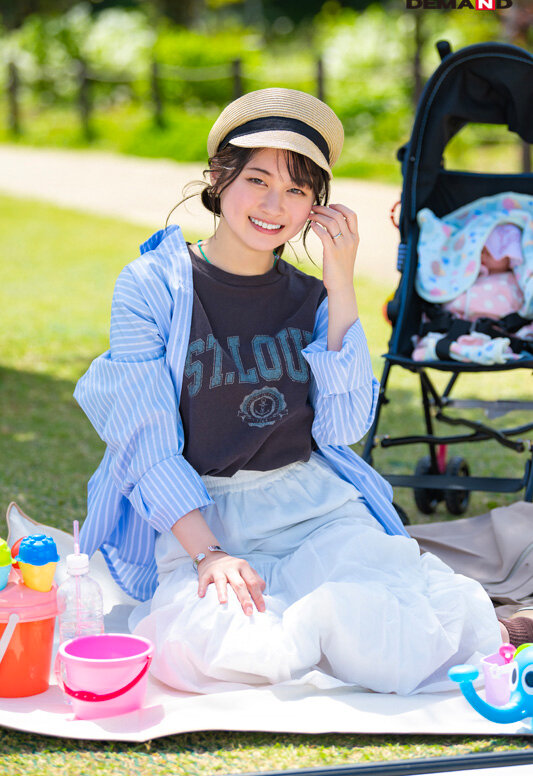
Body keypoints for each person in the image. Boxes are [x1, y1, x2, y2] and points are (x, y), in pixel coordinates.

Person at [74, 88, 531, 696]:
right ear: (217, 177)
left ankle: (485, 628)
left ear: (316, 206)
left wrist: (340, 284)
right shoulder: (153, 285)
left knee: (385, 631)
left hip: (312, 510)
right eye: (257, 180)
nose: (274, 205)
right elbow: (144, 437)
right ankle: (334, 626)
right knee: (207, 649)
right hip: (203, 513)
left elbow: (343, 428)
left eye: (296, 190)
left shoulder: (313, 297)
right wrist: (210, 555)